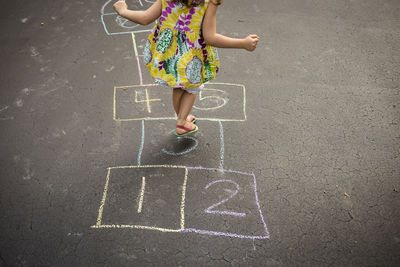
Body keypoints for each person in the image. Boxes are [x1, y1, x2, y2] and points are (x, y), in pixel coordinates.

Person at [113, 0, 259, 136]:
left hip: (169, 52)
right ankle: (182, 122)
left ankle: (182, 117)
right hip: (191, 54)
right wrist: (242, 43)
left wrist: (124, 11)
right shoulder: (208, 2)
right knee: (193, 87)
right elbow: (210, 37)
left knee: (179, 86)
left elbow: (145, 18)